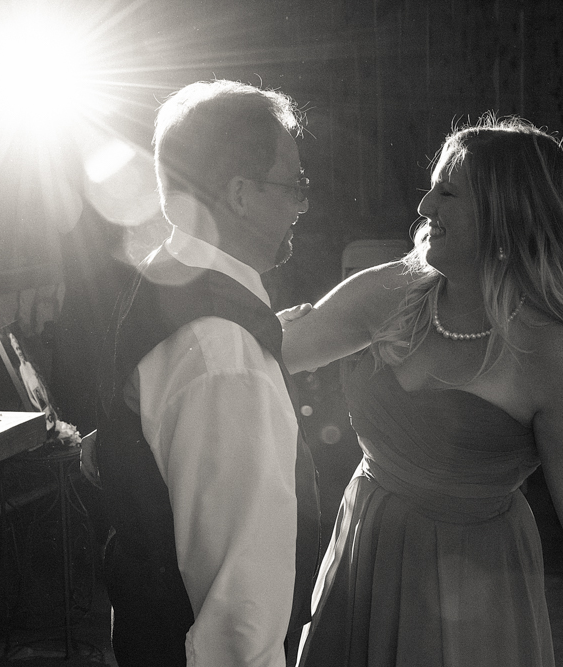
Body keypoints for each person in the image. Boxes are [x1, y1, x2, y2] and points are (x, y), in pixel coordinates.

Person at [281, 116, 563, 666]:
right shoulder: (388, 294)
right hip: (367, 546)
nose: (424, 207)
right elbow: (266, 354)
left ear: (507, 212)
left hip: (474, 581)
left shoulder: (554, 356)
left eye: (447, 192)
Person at [94, 80, 321, 667]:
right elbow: (238, 604)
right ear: (240, 193)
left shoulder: (165, 281)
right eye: (293, 185)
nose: (302, 203)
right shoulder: (225, 358)